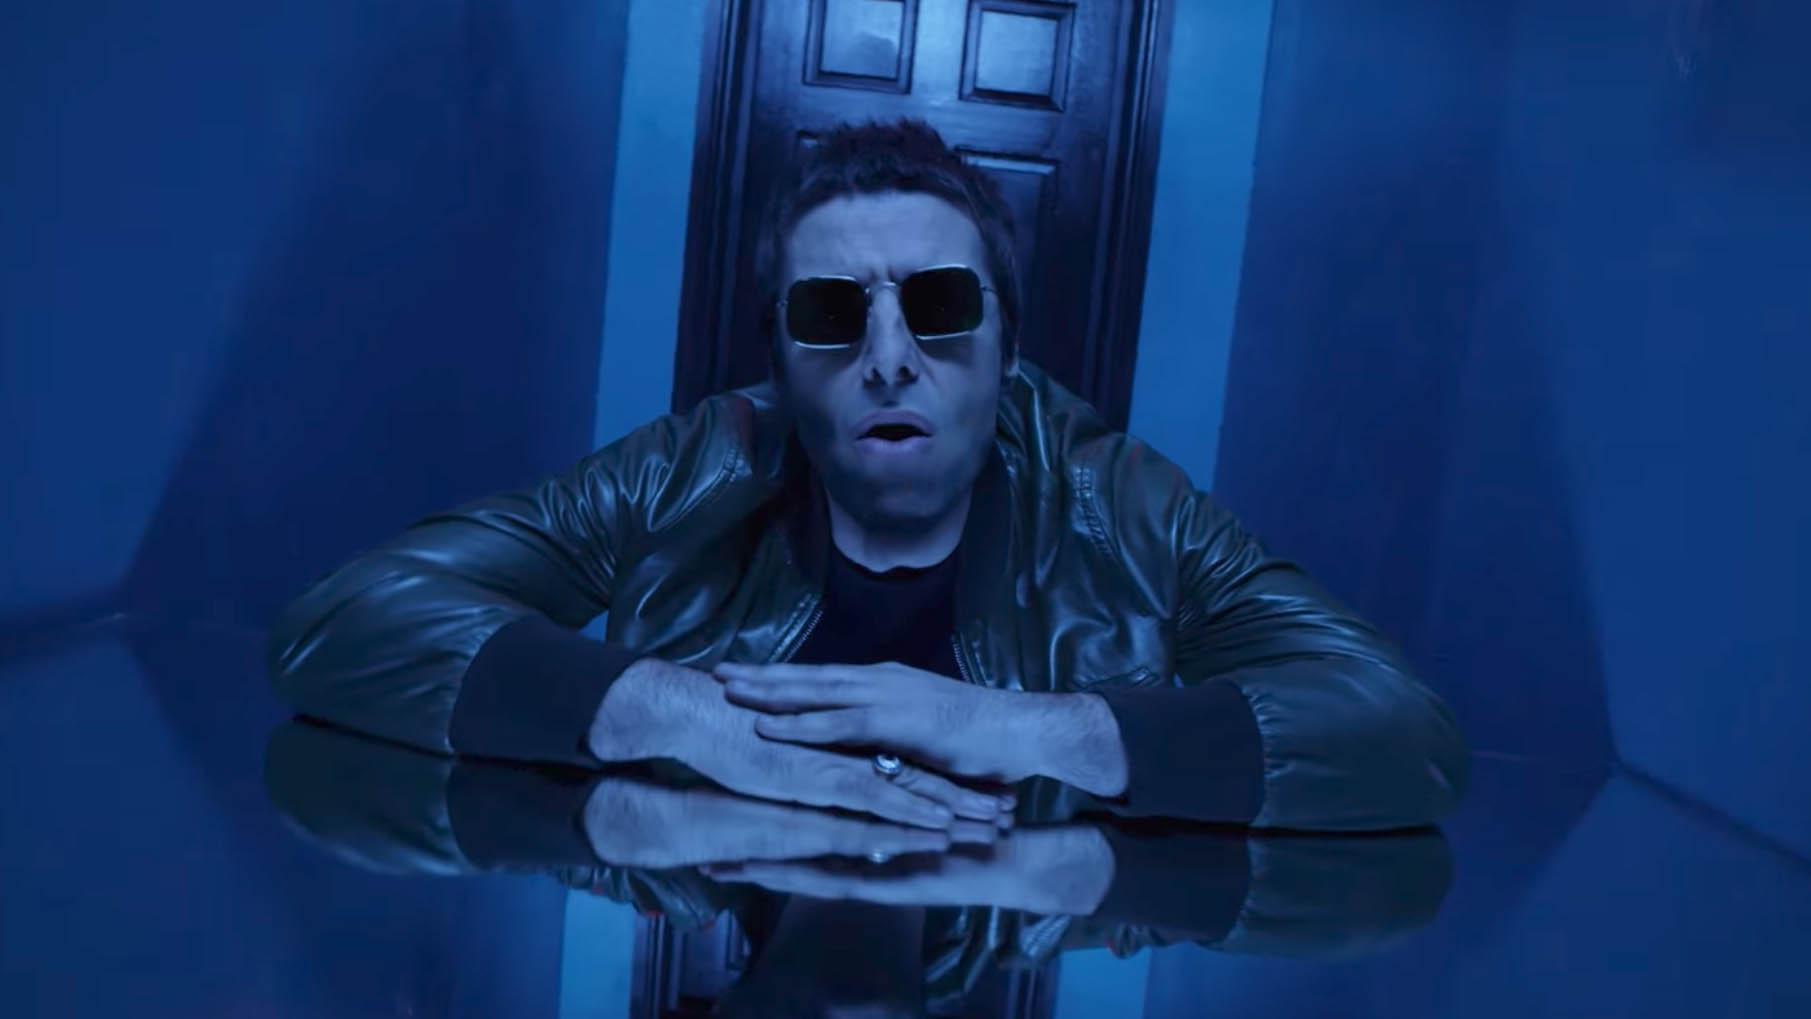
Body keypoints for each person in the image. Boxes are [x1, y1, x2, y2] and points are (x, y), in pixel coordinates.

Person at [268, 118, 1469, 835]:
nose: (889, 357)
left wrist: (1024, 728)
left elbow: (1401, 733)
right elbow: (343, 623)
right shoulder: (697, 463)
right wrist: (670, 711)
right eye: (832, 313)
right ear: (779, 361)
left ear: (1007, 347)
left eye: (938, 304)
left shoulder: (1112, 497)